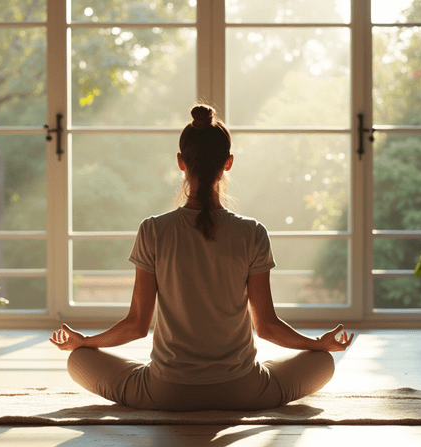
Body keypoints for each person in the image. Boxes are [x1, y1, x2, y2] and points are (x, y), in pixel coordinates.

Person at [50, 103, 354, 411]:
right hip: (244, 391)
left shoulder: (153, 230)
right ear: (229, 163)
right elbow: (267, 326)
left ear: (181, 163)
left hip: (165, 393)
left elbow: (136, 325)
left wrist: (84, 342)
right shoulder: (253, 232)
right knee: (323, 362)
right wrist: (318, 345)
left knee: (79, 360)